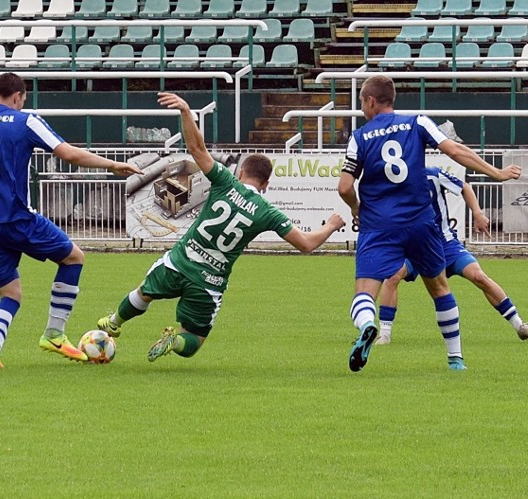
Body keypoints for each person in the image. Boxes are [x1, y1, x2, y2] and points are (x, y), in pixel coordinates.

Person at [96, 92, 346, 362]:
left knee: (144, 292)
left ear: (241, 173)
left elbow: (197, 149)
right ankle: (174, 340)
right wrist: (330, 226)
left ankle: (113, 322)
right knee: (193, 342)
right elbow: (307, 244)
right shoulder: (267, 212)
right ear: (266, 184)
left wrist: (185, 111)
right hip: (209, 282)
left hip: (179, 263)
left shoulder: (226, 181)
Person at [0, 72, 142, 368]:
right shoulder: (25, 119)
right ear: (18, 96)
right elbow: (70, 154)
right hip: (17, 217)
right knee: (74, 258)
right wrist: (112, 164)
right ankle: (54, 333)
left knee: (10, 293)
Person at [338, 75, 522, 373]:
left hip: (379, 225)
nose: (362, 109)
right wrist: (495, 173)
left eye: (362, 102)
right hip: (420, 222)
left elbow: (345, 187)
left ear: (370, 101)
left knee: (364, 290)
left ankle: (369, 325)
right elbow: (455, 151)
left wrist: (357, 208)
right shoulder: (417, 122)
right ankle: (455, 359)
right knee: (439, 287)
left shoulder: (359, 138)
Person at [375, 167, 528, 345]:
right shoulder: (394, 182)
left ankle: (519, 326)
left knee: (479, 276)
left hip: (446, 244)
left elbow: (465, 187)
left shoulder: (433, 174)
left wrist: (478, 213)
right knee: (392, 276)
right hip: (418, 246)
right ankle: (385, 334)